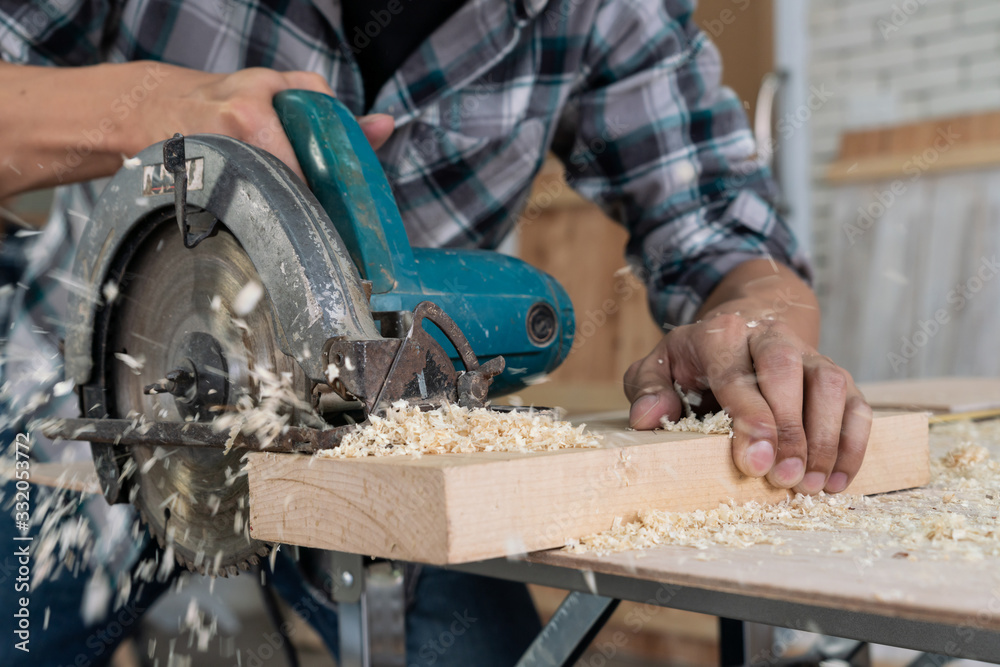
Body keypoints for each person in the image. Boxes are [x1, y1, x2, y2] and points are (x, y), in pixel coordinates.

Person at [0, 0, 873, 664]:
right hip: (103, 403)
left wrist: (754, 329)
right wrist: (150, 106)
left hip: (393, 437)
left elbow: (726, 231)